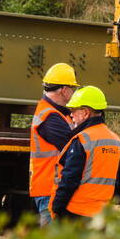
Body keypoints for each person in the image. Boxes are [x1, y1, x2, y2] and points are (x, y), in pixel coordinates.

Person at [49, 85, 120, 221]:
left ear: (85, 112)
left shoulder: (83, 140)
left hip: (76, 212)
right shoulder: (116, 141)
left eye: (74, 110)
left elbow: (69, 180)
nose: (71, 114)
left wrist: (56, 208)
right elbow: (115, 181)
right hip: (102, 215)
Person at [29, 63, 78, 225]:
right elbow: (73, 148)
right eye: (73, 89)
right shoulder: (50, 117)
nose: (74, 94)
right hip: (49, 191)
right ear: (64, 90)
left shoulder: (56, 114)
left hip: (51, 189)